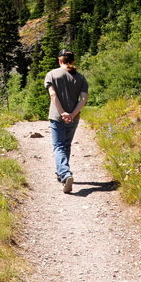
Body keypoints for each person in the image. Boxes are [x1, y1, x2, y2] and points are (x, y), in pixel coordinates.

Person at [44, 49, 88, 194]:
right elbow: (84, 99)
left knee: (58, 146)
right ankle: (62, 172)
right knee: (66, 145)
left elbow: (53, 94)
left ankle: (65, 174)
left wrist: (62, 112)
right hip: (74, 117)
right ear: (73, 61)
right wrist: (73, 114)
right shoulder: (81, 78)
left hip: (57, 116)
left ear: (60, 60)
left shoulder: (51, 74)